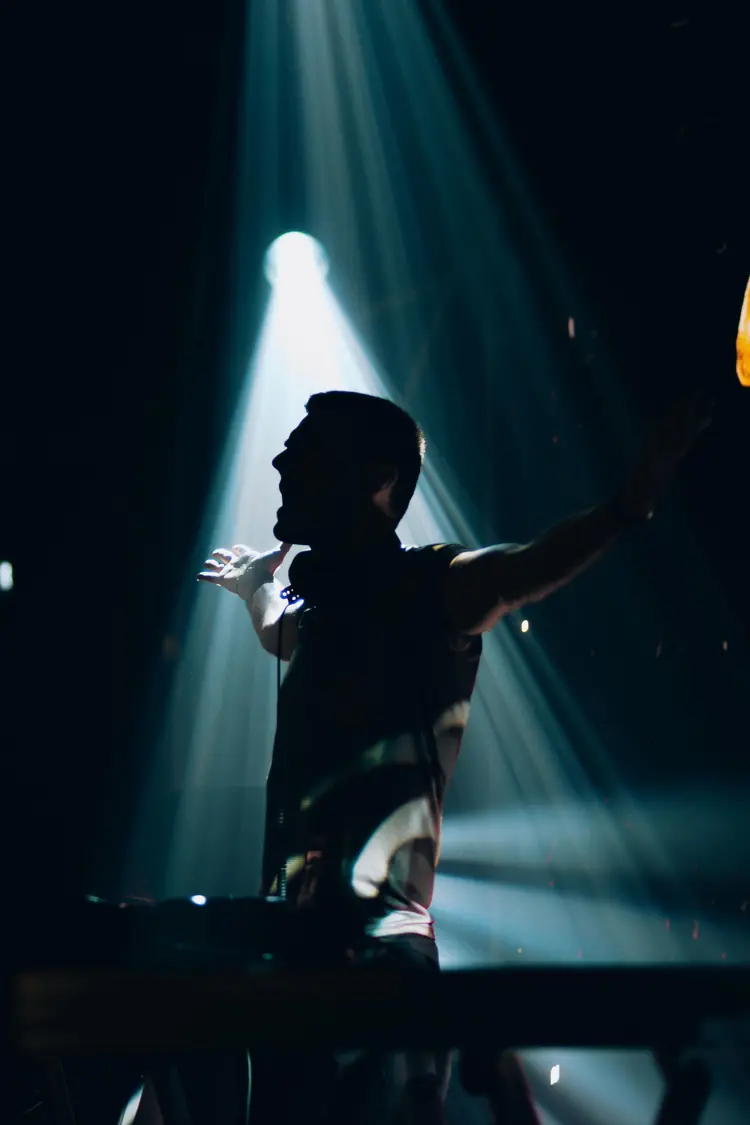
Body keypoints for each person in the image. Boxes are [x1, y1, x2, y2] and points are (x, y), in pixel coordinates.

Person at [197, 388, 711, 1124]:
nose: (281, 462)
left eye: (307, 449)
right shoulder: (322, 612)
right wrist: (257, 589)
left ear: (378, 480)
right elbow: (282, 630)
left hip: (377, 970)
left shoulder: (428, 586)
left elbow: (525, 567)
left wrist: (629, 505)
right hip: (290, 964)